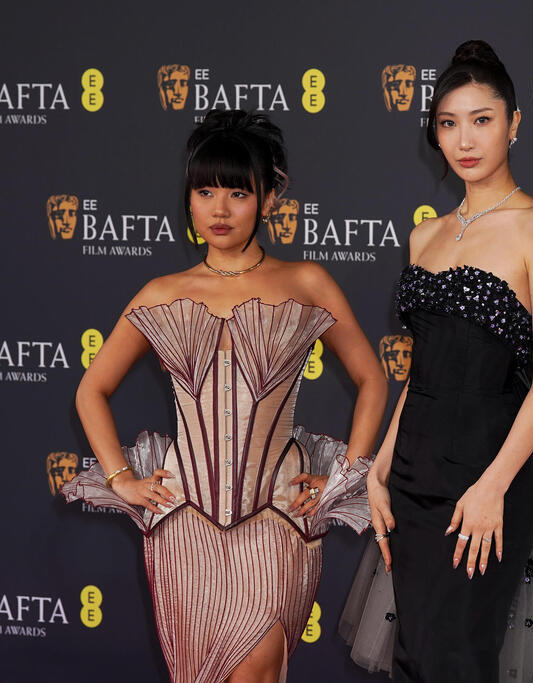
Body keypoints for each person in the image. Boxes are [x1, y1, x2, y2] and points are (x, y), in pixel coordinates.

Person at [62, 110, 387, 683]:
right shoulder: (162, 294)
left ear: (267, 200)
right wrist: (121, 480)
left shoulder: (307, 282)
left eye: (238, 193)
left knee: (258, 673)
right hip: (183, 525)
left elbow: (372, 376)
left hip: (278, 522)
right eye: (205, 190)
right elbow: (92, 389)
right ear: (188, 199)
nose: (219, 208)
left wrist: (348, 472)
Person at [339, 40, 533, 683]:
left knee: (462, 659)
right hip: (413, 470)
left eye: (482, 120)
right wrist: (380, 465)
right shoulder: (423, 235)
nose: (465, 139)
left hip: (490, 468)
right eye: (449, 123)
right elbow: (421, 369)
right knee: (416, 658)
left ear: (514, 123)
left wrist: (493, 486)